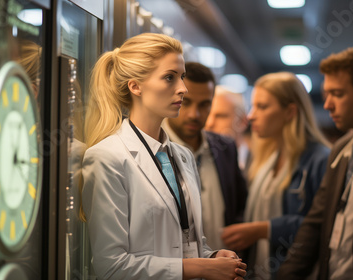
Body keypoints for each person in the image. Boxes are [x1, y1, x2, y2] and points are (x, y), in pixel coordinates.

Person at [81, 33, 247, 280]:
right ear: (135, 86)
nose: (183, 88)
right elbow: (111, 266)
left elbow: (186, 238)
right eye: (169, 77)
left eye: (181, 77)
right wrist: (201, 268)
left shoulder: (182, 155)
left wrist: (211, 256)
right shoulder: (107, 158)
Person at [277, 47, 353, 280]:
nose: (327, 105)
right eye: (327, 95)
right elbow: (316, 223)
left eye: (337, 94)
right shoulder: (341, 149)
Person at [221, 72, 331, 279]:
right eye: (253, 106)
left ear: (290, 111)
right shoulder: (263, 157)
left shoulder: (319, 160)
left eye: (262, 107)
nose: (251, 115)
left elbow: (322, 226)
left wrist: (266, 229)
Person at [162, 62, 248, 251]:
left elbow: (240, 204)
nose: (195, 114)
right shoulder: (154, 148)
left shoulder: (226, 148)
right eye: (187, 102)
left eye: (204, 105)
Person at [205, 86, 251, 172]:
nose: (209, 123)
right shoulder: (198, 162)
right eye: (207, 115)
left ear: (242, 121)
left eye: (221, 116)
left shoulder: (257, 163)